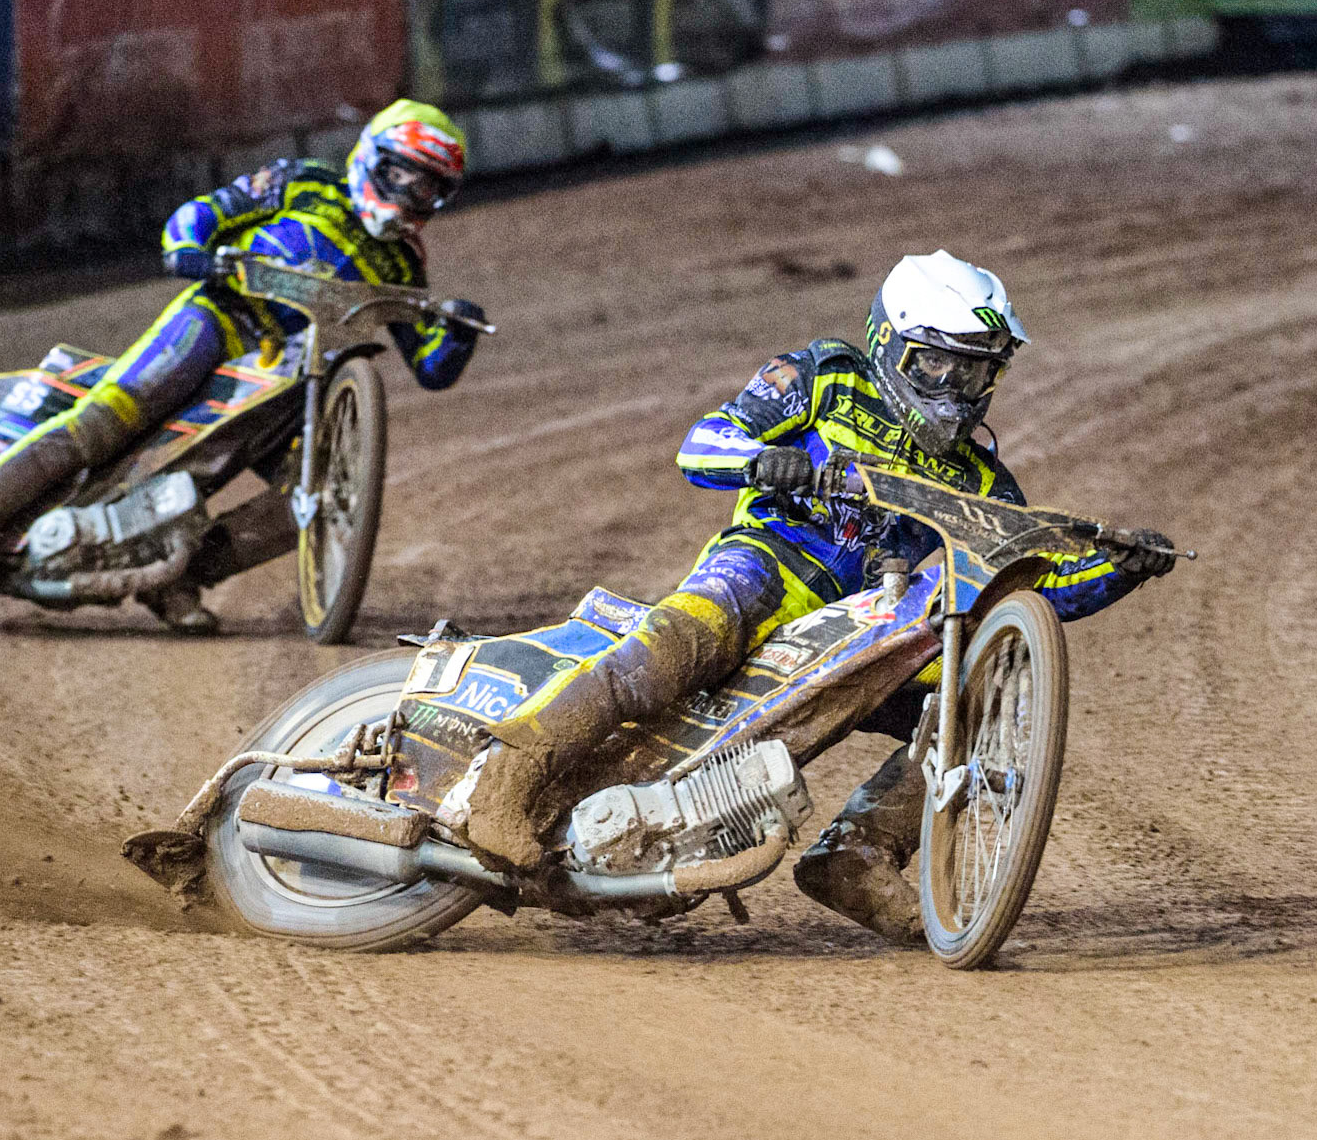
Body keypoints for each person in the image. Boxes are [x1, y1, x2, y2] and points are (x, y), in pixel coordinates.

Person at [460, 250, 1175, 942]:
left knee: (975, 695)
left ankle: (856, 855)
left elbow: (1033, 591)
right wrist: (761, 460)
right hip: (770, 563)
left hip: (865, 626)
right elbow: (701, 441)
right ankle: (506, 777)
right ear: (890, 345)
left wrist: (1121, 568)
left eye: (975, 370)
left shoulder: (986, 484)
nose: (956, 388)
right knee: (676, 645)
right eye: (937, 363)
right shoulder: (824, 378)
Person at [0, 99, 486, 633]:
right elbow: (207, 212)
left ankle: (177, 577)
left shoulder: (405, 265)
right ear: (371, 158)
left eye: (430, 187)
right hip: (220, 322)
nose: (413, 193)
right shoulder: (307, 182)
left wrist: (458, 333)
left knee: (310, 495)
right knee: (117, 413)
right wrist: (191, 247)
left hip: (294, 384)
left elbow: (431, 367)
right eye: (406, 175)